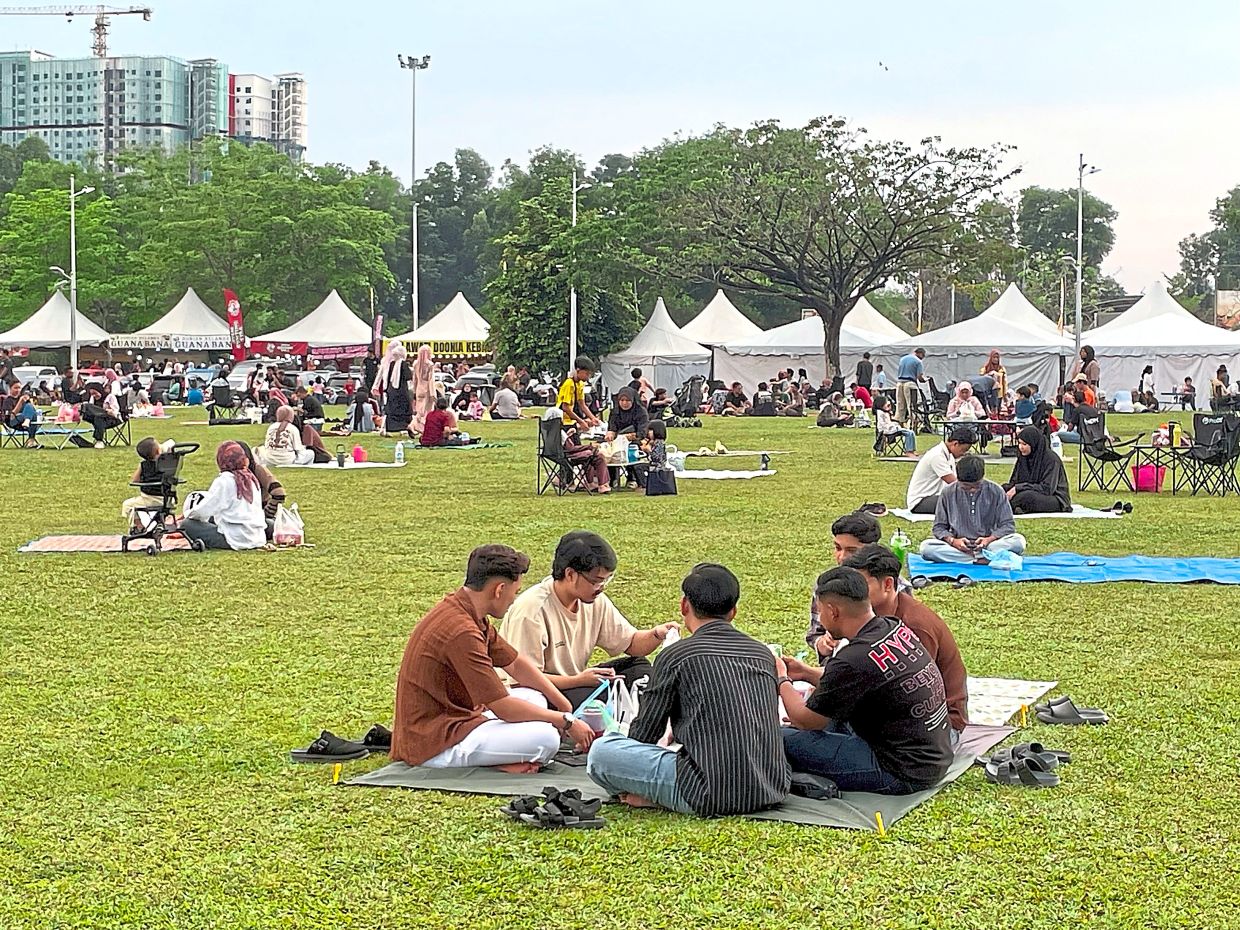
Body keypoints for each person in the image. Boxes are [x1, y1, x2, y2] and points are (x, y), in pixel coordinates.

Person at [587, 563, 790, 816]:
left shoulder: (677, 655)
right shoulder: (761, 653)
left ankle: (656, 796)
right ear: (734, 611)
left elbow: (645, 734)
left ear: (685, 606)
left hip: (707, 791)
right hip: (770, 787)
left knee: (602, 752)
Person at [390, 544, 595, 772]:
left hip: (457, 720)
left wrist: (562, 704)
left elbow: (515, 663)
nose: (513, 599)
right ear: (499, 590)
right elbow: (503, 708)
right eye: (514, 592)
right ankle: (498, 762)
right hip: (434, 743)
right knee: (546, 738)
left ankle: (504, 758)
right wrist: (566, 720)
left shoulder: (466, 611)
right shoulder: (462, 632)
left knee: (534, 696)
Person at [777, 567, 952, 794]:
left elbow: (807, 721)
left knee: (775, 737)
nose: (821, 619)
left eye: (820, 612)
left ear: (833, 611)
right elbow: (846, 682)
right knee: (813, 728)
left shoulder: (854, 657)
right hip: (933, 758)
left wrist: (782, 679)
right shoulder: (891, 627)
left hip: (899, 771)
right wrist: (805, 671)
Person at [499, 531, 677, 710]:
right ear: (570, 574)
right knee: (602, 700)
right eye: (597, 581)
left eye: (607, 580)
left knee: (638, 668)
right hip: (533, 692)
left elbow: (632, 644)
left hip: (573, 681)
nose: (601, 588)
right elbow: (522, 680)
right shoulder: (531, 611)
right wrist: (577, 680)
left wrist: (657, 634)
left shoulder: (594, 601)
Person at [841, 545, 968, 735]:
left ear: (888, 584)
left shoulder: (914, 626)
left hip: (938, 727)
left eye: (860, 586)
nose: (853, 593)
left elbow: (914, 694)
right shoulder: (877, 616)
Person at [920, 455, 1026, 563]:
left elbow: (1008, 525)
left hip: (989, 545)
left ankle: (976, 558)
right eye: (966, 486)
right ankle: (983, 559)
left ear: (982, 478)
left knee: (1018, 541)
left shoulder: (996, 491)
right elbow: (939, 527)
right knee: (926, 548)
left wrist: (989, 539)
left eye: (976, 486)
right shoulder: (948, 492)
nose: (972, 490)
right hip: (958, 547)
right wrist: (953, 541)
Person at [180, 441, 268, 551]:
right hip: (257, 537)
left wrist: (188, 514)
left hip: (235, 539)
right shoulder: (251, 478)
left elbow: (204, 511)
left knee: (187, 525)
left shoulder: (225, 481)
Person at [1004, 426, 1071, 514]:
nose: (1021, 447)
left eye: (1024, 444)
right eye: (1019, 443)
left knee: (1027, 497)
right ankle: (1014, 506)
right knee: (1002, 489)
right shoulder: (1023, 458)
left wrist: (1019, 488)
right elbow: (1014, 481)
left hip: (1054, 497)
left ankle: (1006, 506)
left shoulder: (1051, 459)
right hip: (1029, 490)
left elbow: (1047, 489)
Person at [907, 426, 974, 514]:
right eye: (963, 450)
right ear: (955, 444)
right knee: (962, 503)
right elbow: (954, 483)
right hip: (920, 502)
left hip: (935, 496)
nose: (963, 454)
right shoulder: (937, 455)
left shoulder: (949, 455)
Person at [122, 436, 166, 530]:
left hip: (149, 499)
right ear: (159, 451)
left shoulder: (144, 465)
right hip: (168, 498)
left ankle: (138, 526)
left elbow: (135, 481)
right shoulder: (167, 464)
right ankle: (157, 523)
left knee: (128, 504)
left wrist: (141, 467)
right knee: (136, 504)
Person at [374, 342, 416, 439]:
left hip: (390, 390)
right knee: (404, 411)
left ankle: (388, 428)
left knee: (389, 410)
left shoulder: (391, 363)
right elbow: (408, 377)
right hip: (401, 392)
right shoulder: (403, 364)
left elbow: (386, 377)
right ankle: (405, 427)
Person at [562, 423, 611, 493]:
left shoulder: (550, 432)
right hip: (569, 456)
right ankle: (602, 485)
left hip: (560, 456)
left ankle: (592, 483)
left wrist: (568, 435)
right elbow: (570, 448)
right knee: (598, 456)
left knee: (590, 455)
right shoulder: (560, 432)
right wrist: (589, 446)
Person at [557, 355, 599, 430]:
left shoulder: (580, 384)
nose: (588, 377)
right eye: (587, 374)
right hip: (563, 421)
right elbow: (565, 408)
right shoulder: (569, 384)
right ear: (578, 370)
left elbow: (582, 404)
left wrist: (592, 418)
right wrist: (581, 422)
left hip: (572, 421)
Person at [81, 384, 122, 449]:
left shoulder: (110, 397)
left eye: (95, 393)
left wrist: (107, 411)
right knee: (88, 411)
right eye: (92, 394)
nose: (94, 395)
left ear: (100, 391)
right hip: (99, 419)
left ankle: (99, 440)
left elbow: (115, 411)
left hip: (111, 418)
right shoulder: (93, 398)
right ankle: (98, 440)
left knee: (98, 416)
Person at [895, 348, 926, 429]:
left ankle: (900, 424)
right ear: (920, 354)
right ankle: (914, 424)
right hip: (910, 384)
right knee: (913, 405)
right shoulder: (918, 361)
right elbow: (919, 377)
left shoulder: (903, 359)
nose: (923, 358)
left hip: (899, 383)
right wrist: (924, 380)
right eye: (923, 356)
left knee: (900, 405)